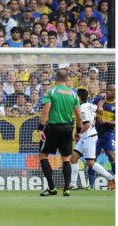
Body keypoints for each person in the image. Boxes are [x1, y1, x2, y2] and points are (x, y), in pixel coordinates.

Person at [38, 69, 82, 197]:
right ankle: (67, 189)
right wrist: (77, 131)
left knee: (43, 155)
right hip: (68, 128)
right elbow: (79, 116)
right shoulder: (73, 95)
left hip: (53, 127)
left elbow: (45, 112)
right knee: (66, 158)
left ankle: (51, 187)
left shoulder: (51, 92)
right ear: (68, 79)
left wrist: (40, 128)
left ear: (55, 79)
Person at [70, 88, 115, 190]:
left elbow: (86, 124)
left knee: (90, 163)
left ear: (79, 98)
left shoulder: (82, 108)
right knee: (73, 158)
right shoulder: (90, 105)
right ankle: (73, 184)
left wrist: (77, 133)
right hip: (86, 137)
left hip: (89, 137)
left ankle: (111, 178)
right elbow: (99, 105)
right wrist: (100, 106)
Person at [88, 84, 116, 189]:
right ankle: (90, 185)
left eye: (114, 91)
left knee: (112, 155)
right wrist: (98, 109)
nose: (111, 92)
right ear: (106, 90)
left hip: (109, 134)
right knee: (92, 158)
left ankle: (115, 182)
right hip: (95, 133)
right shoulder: (98, 99)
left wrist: (105, 121)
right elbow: (89, 110)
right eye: (110, 90)